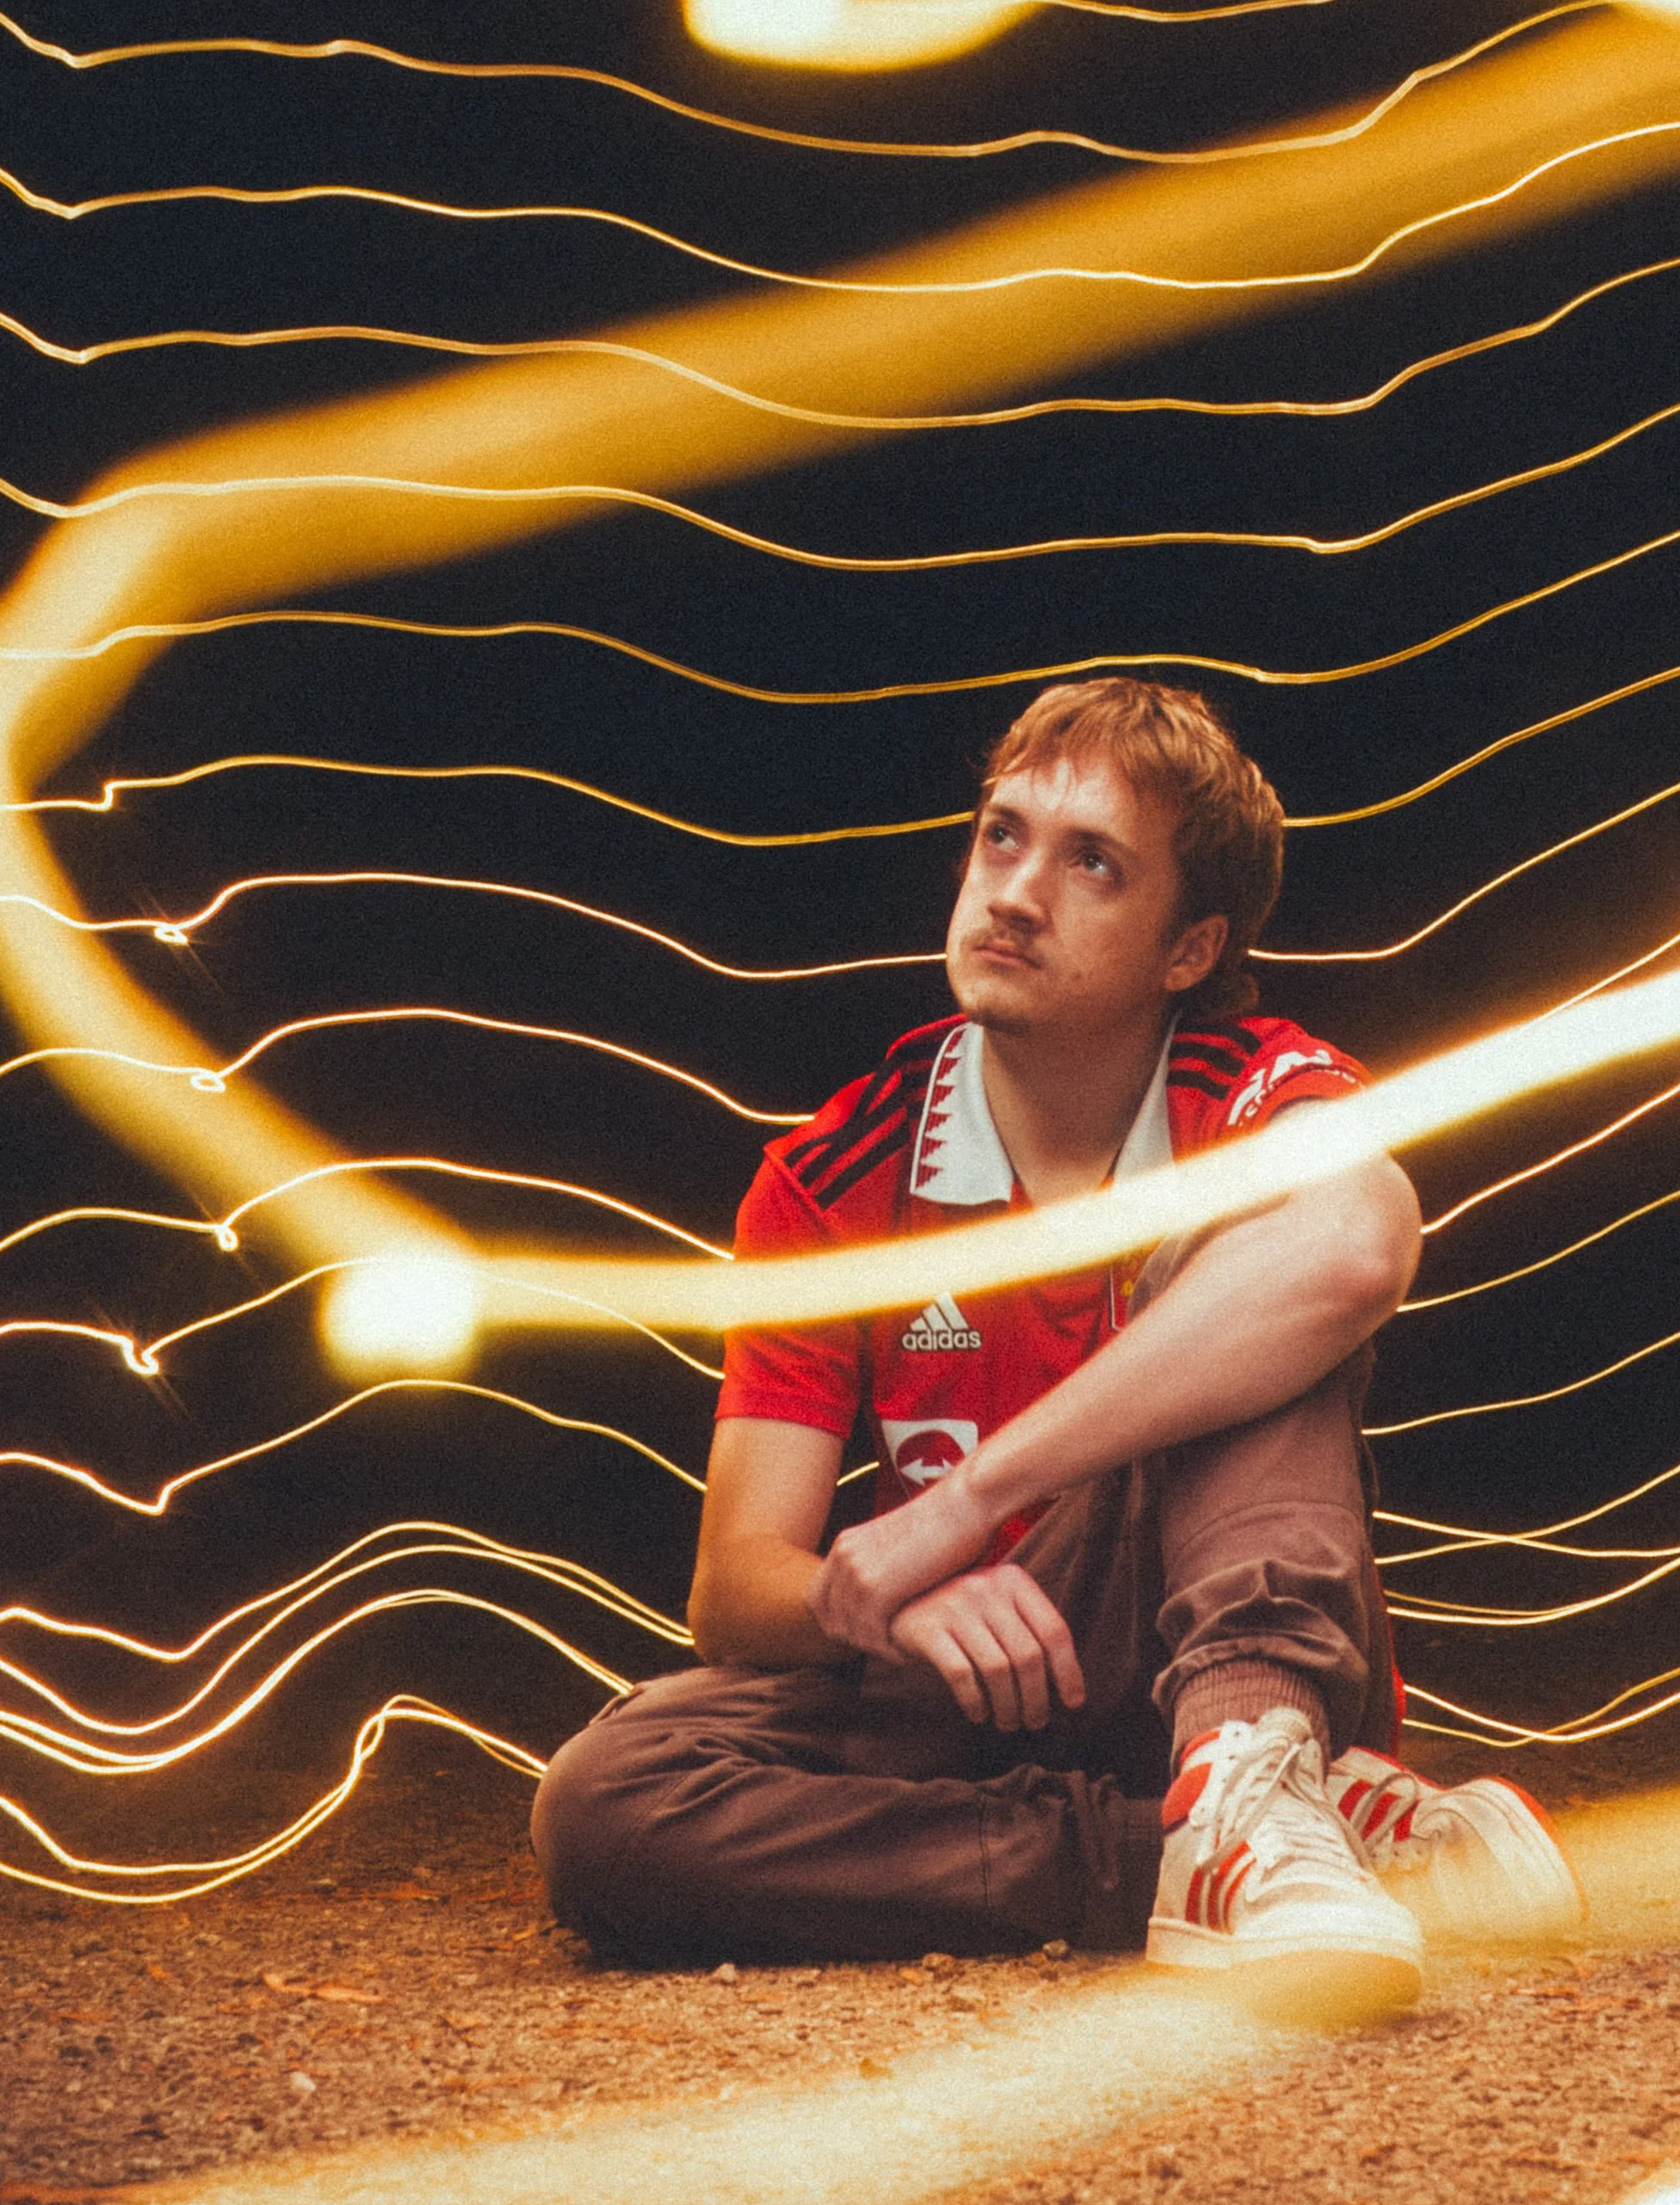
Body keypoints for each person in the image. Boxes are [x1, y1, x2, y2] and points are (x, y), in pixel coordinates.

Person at [533, 678, 1580, 2020]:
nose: (1016, 894)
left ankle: (1246, 1766)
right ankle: (1223, 1854)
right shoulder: (833, 1174)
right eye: (1002, 836)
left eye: (1092, 864)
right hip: (966, 1688)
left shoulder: (1243, 1093)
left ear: (1188, 948)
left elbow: (1354, 1243)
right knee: (609, 1805)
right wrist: (891, 1604)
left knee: (1247, 1252)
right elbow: (737, 1583)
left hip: (1210, 1643)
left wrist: (961, 1505)